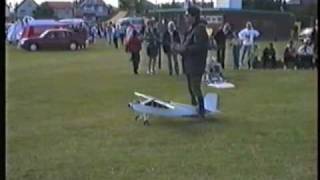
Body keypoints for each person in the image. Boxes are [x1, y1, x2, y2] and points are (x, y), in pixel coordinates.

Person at [174, 6, 209, 118]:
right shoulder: (191, 29)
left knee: (195, 88)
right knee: (191, 88)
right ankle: (195, 109)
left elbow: (201, 47)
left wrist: (185, 49)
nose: (185, 17)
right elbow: (185, 45)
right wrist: (177, 47)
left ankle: (201, 110)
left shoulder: (200, 29)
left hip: (196, 64)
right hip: (189, 63)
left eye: (187, 15)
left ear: (194, 16)